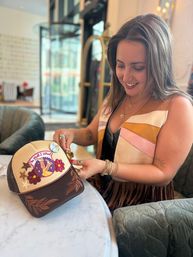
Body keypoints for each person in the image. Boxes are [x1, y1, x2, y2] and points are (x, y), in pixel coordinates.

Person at [53, 14, 193, 211]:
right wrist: (71, 134)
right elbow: (92, 134)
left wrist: (106, 167)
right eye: (120, 65)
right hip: (100, 190)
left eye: (138, 67)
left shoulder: (177, 106)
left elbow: (164, 173)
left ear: (159, 65)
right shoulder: (117, 94)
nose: (126, 77)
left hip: (138, 210)